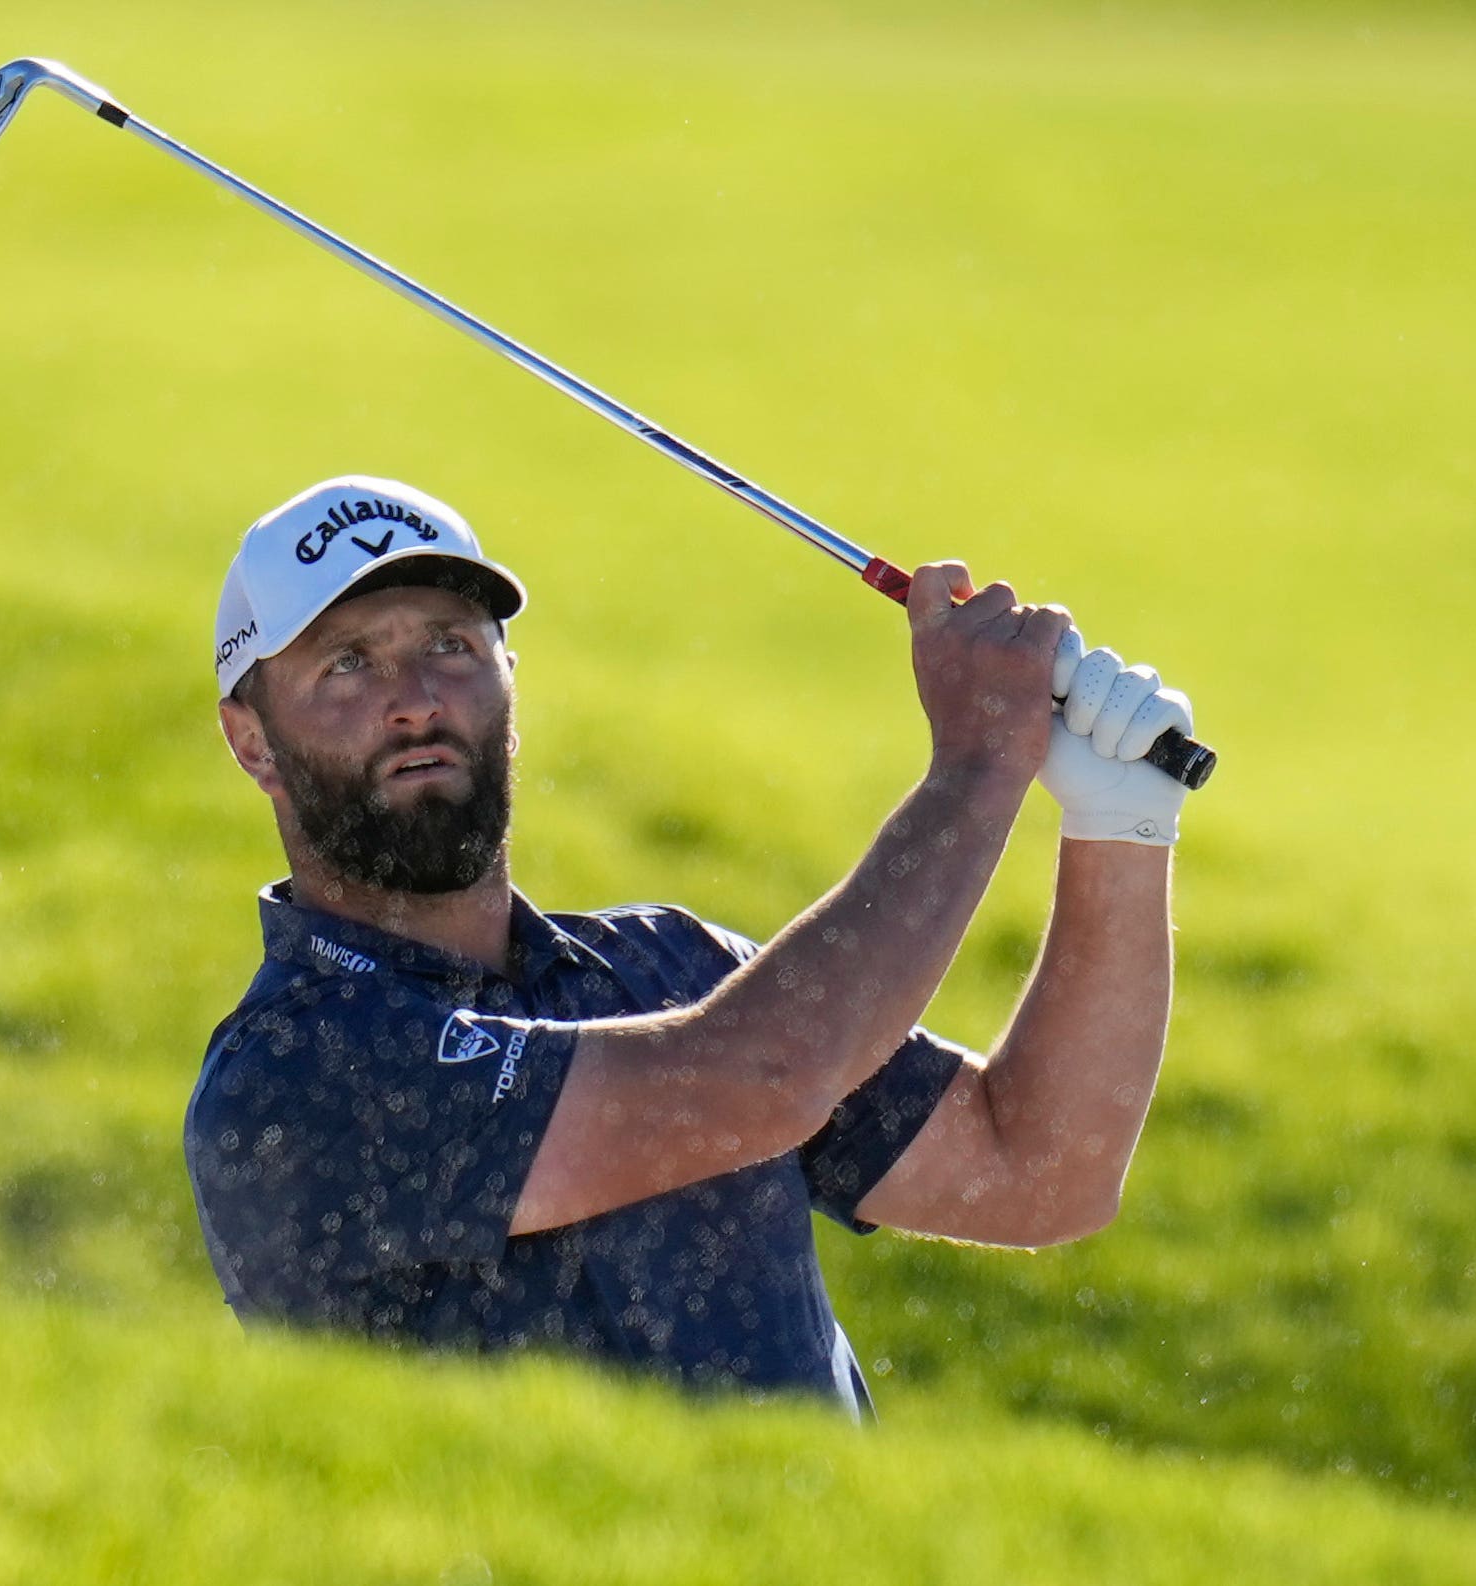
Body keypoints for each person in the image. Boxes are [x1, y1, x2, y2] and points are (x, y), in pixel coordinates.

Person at [185, 474, 1192, 1418]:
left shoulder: (668, 968)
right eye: (347, 663)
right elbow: (757, 1077)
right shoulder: (292, 1070)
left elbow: (1041, 1167)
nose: (414, 696)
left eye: (451, 644)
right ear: (253, 741)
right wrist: (977, 763)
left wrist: (1120, 829)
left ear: (507, 679)